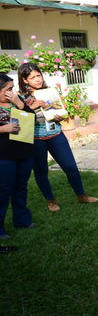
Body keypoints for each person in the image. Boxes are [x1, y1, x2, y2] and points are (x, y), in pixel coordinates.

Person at [18, 63, 98, 212]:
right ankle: (51, 201)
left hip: (56, 135)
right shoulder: (20, 97)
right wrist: (33, 107)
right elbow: (21, 120)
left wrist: (59, 116)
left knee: (71, 167)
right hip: (36, 140)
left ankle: (81, 195)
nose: (37, 79)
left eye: (38, 75)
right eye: (32, 77)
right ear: (24, 80)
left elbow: (58, 111)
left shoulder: (49, 92)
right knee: (41, 171)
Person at [0, 73, 37, 239]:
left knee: (21, 187)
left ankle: (22, 220)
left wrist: (19, 103)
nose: (12, 92)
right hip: (4, 156)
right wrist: (2, 129)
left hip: (24, 153)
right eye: (8, 89)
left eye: (12, 88)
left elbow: (33, 118)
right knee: (3, 191)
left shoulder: (16, 102)